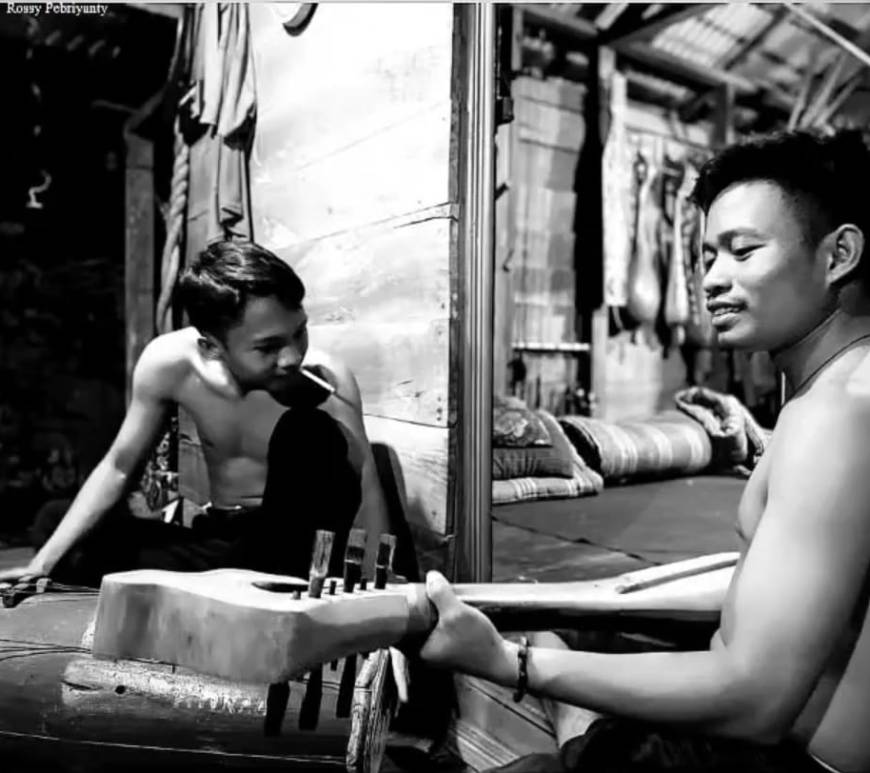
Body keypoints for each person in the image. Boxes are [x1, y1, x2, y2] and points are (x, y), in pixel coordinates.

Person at [416, 130, 870, 773]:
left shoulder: (841, 412)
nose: (713, 280)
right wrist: (600, 600)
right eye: (708, 256)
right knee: (570, 638)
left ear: (839, 254)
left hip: (784, 759)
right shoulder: (827, 389)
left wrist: (509, 663)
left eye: (743, 251)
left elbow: (756, 698)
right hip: (765, 732)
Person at [0, 240, 389, 587]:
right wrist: (42, 564)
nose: (291, 356)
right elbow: (120, 467)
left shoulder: (327, 381)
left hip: (289, 552)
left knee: (308, 429)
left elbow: (366, 487)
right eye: (268, 347)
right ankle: (216, 589)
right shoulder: (171, 364)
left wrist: (380, 589)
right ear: (211, 347)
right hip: (219, 545)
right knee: (56, 523)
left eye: (299, 332)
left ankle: (237, 593)